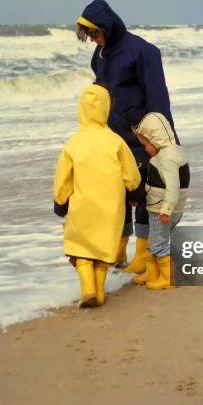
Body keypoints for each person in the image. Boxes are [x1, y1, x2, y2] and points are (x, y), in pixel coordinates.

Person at [76, 0, 177, 274]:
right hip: (113, 138)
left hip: (142, 138)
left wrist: (162, 142)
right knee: (116, 195)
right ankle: (118, 250)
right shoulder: (99, 55)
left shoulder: (143, 52)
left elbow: (158, 99)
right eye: (90, 36)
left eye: (96, 33)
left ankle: (144, 253)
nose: (94, 40)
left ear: (108, 26)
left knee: (146, 196)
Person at [53, 83, 141, 307]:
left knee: (81, 249)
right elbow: (131, 174)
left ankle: (88, 289)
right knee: (103, 251)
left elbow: (63, 178)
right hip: (110, 207)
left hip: (81, 206)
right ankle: (99, 292)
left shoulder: (74, 142)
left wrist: (60, 202)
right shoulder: (115, 141)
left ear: (81, 108)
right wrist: (134, 192)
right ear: (106, 109)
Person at [132, 112, 190, 290]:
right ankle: (153, 272)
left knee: (159, 243)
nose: (146, 149)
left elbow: (173, 187)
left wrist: (166, 210)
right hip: (167, 208)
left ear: (156, 139)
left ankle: (168, 277)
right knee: (154, 240)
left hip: (162, 211)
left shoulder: (166, 158)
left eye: (146, 144)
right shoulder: (175, 152)